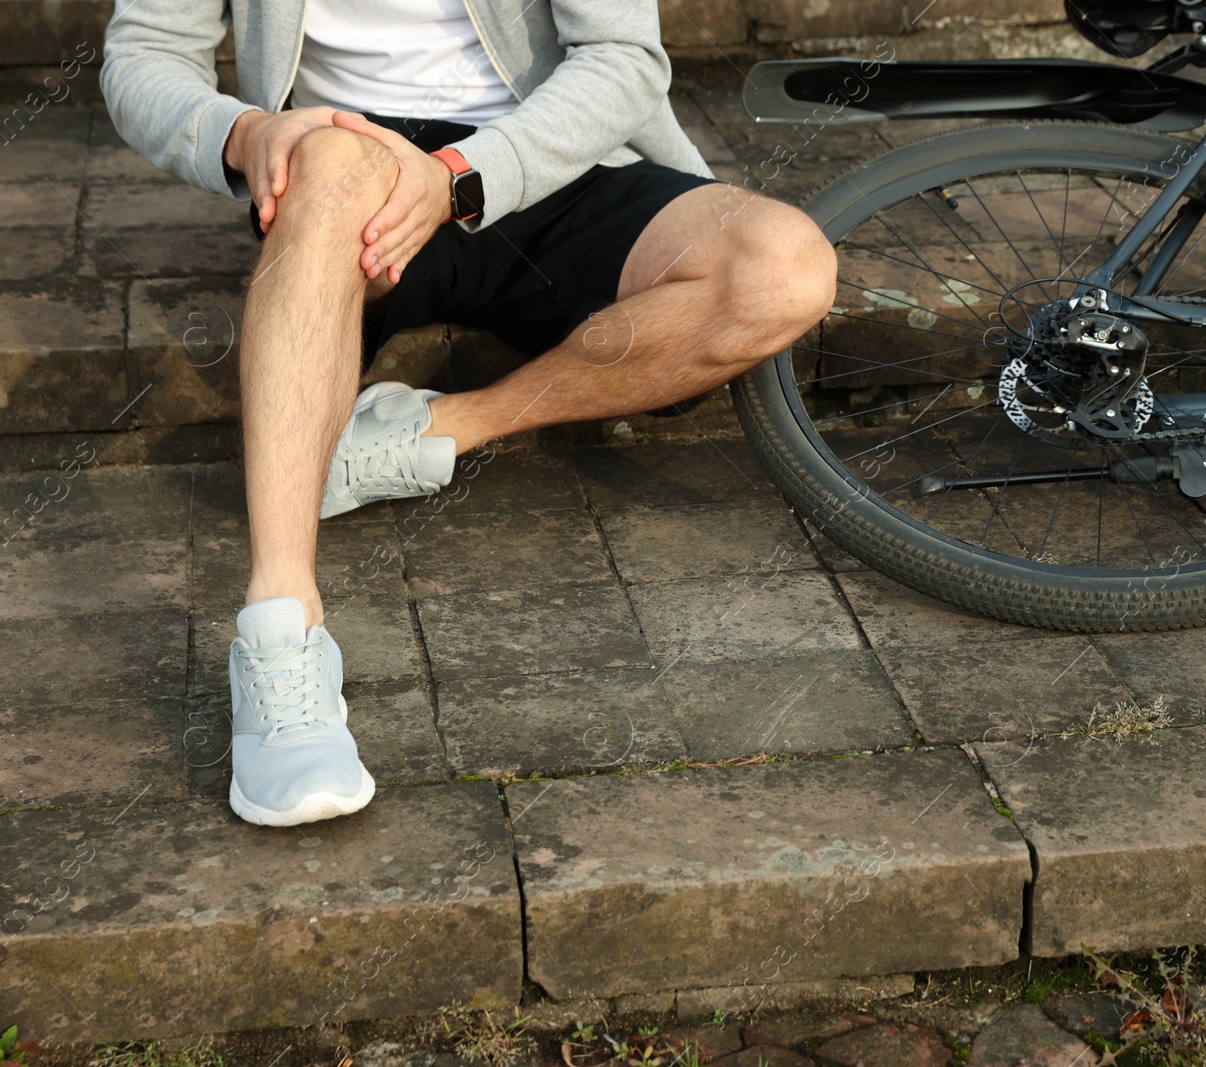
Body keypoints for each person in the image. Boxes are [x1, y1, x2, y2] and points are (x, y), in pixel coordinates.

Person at [101, 0, 838, 827]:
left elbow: (624, 58)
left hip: (551, 153)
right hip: (350, 174)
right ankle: (280, 631)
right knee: (336, 162)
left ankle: (444, 426)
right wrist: (241, 134)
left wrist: (462, 175)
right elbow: (145, 55)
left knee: (784, 268)